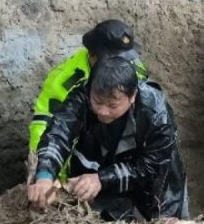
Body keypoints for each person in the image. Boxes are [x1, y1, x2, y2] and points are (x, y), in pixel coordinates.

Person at [28, 56, 187, 221]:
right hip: (99, 166)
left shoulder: (156, 112)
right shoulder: (81, 96)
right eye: (97, 101)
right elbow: (59, 133)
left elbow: (150, 167)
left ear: (132, 96)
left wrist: (102, 179)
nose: (103, 111)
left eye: (112, 105)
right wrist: (45, 176)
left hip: (154, 183)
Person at [28, 20, 147, 180]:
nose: (120, 65)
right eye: (114, 58)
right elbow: (47, 128)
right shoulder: (65, 81)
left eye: (124, 58)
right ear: (93, 55)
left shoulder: (133, 68)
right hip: (77, 161)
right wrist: (51, 177)